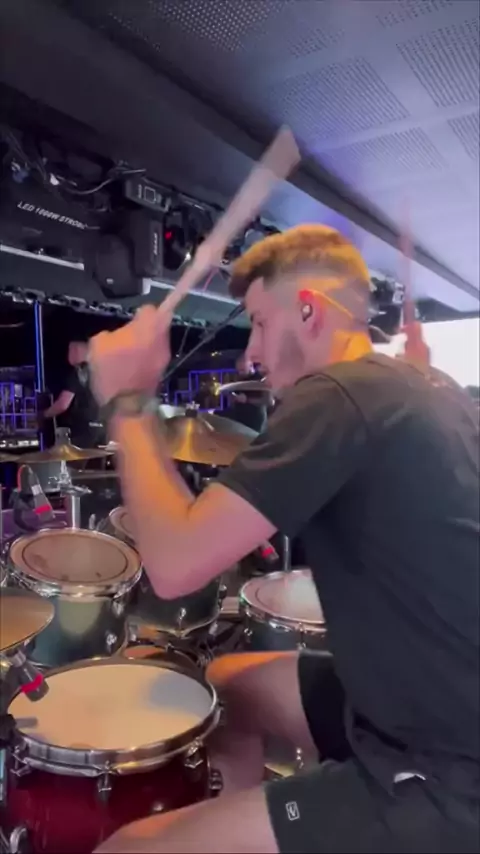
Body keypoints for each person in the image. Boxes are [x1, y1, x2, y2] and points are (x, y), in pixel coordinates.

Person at [89, 225, 479, 853]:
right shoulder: (425, 388)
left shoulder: (339, 394)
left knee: (127, 848)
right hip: (424, 701)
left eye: (260, 323)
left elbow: (174, 567)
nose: (250, 354)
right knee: (227, 682)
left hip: (448, 775)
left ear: (308, 311)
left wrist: (129, 404)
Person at [42, 339, 106, 448]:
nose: (69, 354)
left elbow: (63, 405)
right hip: (102, 432)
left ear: (78, 350)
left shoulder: (78, 373)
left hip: (83, 432)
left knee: (67, 455)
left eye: (71, 349)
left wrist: (44, 414)